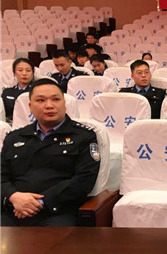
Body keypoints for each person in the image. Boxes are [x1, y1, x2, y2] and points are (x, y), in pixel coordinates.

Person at [1, 78, 100, 227]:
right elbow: (2, 176)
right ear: (30, 106)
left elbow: (84, 179)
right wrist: (13, 196)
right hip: (14, 210)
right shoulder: (15, 137)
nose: (49, 105)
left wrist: (40, 202)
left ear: (64, 104)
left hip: (58, 212)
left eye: (56, 99)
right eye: (41, 100)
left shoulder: (83, 136)